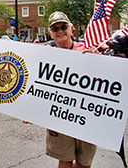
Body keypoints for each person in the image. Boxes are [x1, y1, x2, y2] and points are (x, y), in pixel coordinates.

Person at [46, 11, 98, 168]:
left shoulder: (87, 50)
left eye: (63, 27)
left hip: (86, 114)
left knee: (84, 162)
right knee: (64, 160)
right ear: (50, 33)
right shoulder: (45, 54)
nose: (60, 31)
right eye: (55, 29)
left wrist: (95, 59)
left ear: (71, 29)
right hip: (59, 114)